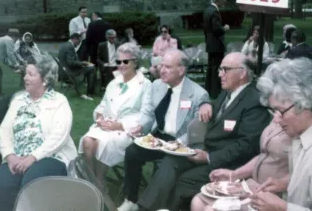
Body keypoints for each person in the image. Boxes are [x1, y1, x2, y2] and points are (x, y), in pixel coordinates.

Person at [128, 52, 270, 211]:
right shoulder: (228, 92)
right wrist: (206, 105)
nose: (219, 74)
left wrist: (209, 157)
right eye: (220, 69)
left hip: (229, 163)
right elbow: (216, 111)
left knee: (184, 180)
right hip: (206, 149)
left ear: (242, 73)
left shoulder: (254, 100)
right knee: (172, 160)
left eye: (225, 69)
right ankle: (146, 207)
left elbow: (247, 146)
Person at [118, 48, 210, 211]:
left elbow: (196, 132)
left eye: (167, 67)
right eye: (161, 66)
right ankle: (131, 199)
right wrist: (141, 126)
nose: (162, 70)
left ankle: (149, 206)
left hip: (181, 141)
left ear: (181, 70)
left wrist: (178, 142)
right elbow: (148, 113)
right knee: (132, 152)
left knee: (169, 163)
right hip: (159, 137)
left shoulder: (198, 94)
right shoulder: (157, 86)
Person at [0, 54, 77, 211]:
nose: (25, 78)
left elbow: (59, 135)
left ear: (45, 79)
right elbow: (4, 129)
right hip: (17, 157)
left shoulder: (58, 100)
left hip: (51, 156)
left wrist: (32, 158)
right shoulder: (19, 100)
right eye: (25, 73)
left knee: (32, 185)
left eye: (31, 74)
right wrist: (9, 155)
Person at [79, 43, 153, 189]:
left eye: (126, 61)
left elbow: (146, 114)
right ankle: (92, 179)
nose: (121, 65)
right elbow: (102, 105)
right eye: (118, 62)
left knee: (105, 142)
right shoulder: (114, 83)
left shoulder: (145, 84)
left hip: (129, 129)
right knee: (87, 141)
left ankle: (98, 181)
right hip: (107, 125)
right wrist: (100, 119)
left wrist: (119, 125)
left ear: (135, 62)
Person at [248, 58, 312, 211]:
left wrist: (282, 207)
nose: (276, 120)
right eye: (273, 111)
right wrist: (285, 182)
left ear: (305, 104)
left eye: (281, 111)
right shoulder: (301, 138)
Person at [191, 119, 290, 210]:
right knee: (198, 201)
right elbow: (264, 155)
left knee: (211, 209)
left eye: (280, 110)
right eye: (274, 110)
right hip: (252, 184)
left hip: (275, 194)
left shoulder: (297, 130)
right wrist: (235, 174)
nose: (276, 115)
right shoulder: (278, 115)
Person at [204, 0, 229, 99]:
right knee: (216, 69)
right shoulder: (214, 12)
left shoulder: (207, 10)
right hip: (216, 45)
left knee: (211, 69)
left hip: (210, 44)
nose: (225, 1)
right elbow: (216, 29)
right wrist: (225, 28)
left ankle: (208, 89)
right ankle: (215, 92)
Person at [58, 33, 95, 98]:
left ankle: (85, 87)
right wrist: (82, 63)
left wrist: (81, 63)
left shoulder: (63, 45)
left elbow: (68, 61)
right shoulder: (70, 47)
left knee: (88, 67)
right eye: (79, 41)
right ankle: (90, 93)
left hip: (62, 72)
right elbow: (71, 62)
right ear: (75, 39)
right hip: (69, 73)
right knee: (92, 68)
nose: (79, 44)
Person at [0, 29, 21, 96]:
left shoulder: (4, 39)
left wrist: (12, 66)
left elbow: (5, 58)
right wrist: (16, 65)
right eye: (17, 37)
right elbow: (10, 53)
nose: (17, 39)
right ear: (14, 36)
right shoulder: (9, 40)